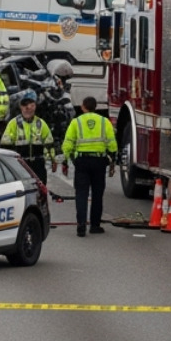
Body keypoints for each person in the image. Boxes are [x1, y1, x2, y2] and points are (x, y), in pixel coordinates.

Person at [62, 96, 117, 236]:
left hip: (82, 162)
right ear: (96, 106)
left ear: (82, 107)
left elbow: (68, 143)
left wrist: (66, 160)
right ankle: (95, 225)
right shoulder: (104, 122)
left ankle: (81, 225)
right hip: (99, 162)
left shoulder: (76, 122)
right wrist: (112, 160)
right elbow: (112, 143)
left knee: (81, 194)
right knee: (97, 195)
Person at [1, 91, 55, 182]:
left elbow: (49, 144)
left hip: (38, 165)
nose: (28, 108)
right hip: (20, 165)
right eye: (25, 105)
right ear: (20, 107)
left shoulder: (41, 123)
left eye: (31, 105)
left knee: (40, 190)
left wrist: (53, 161)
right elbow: (5, 146)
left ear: (35, 107)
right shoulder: (13, 124)